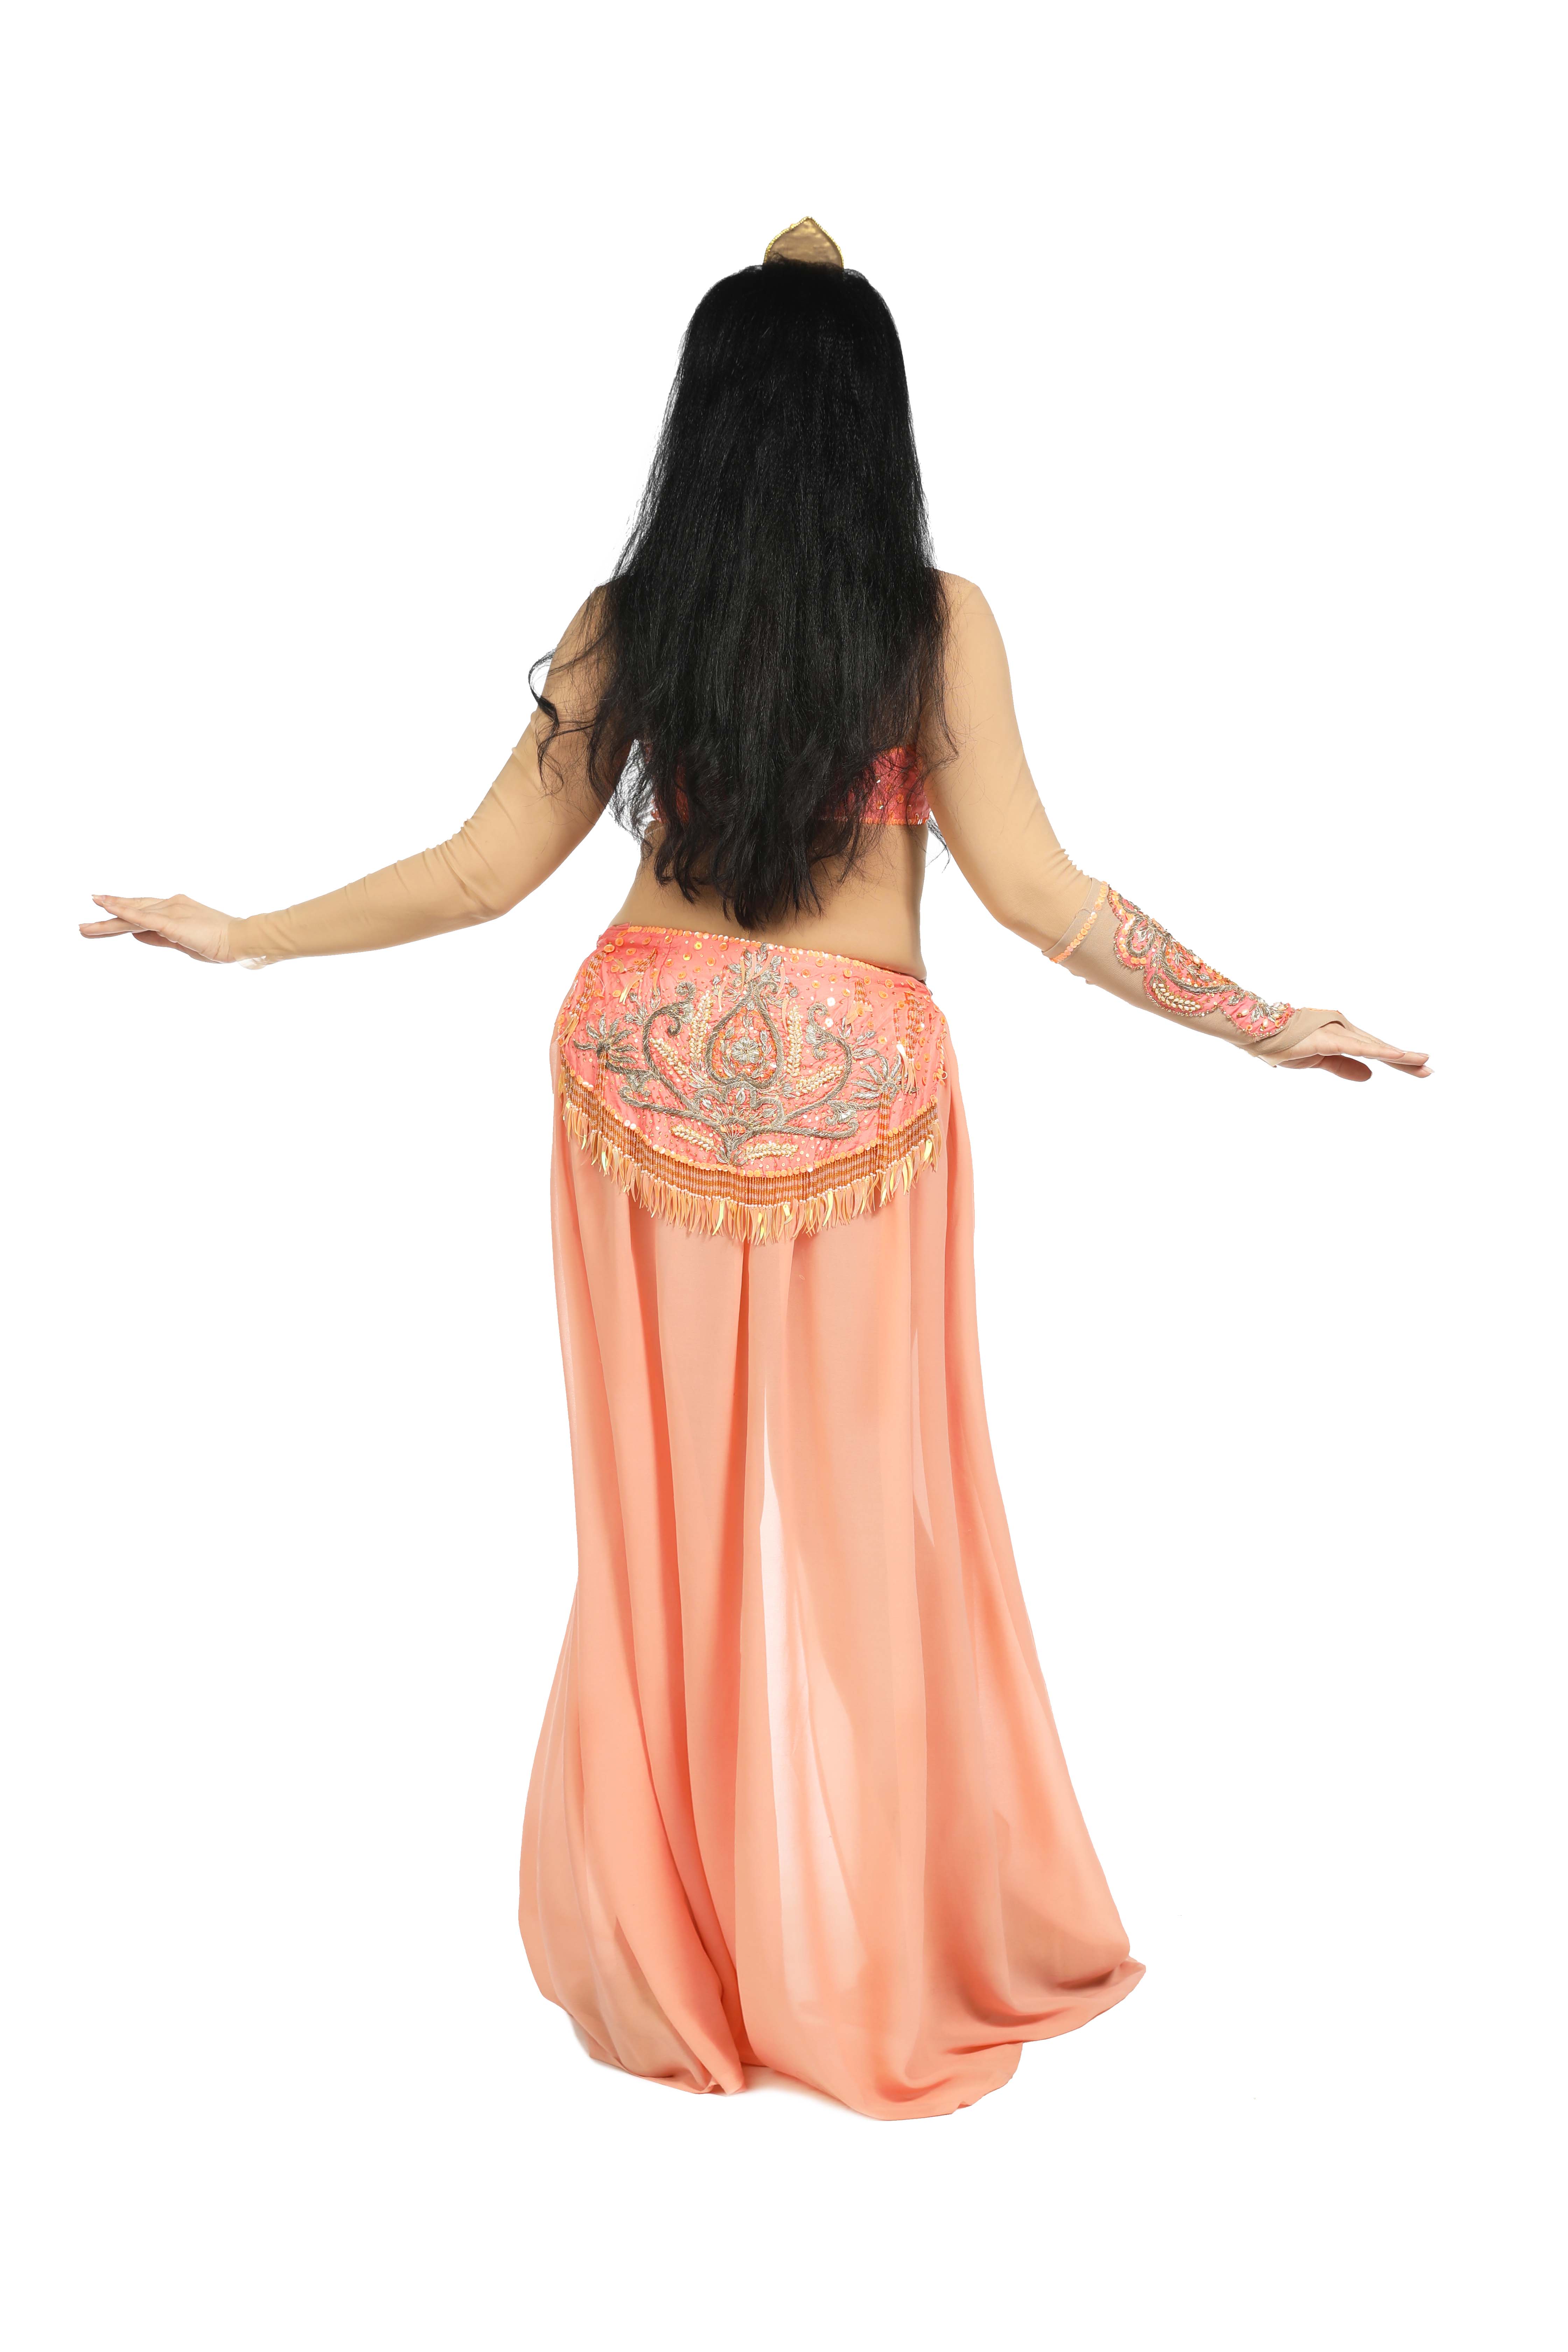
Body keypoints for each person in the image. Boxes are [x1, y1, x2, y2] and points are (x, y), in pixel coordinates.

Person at [80, 218, 1429, 2121]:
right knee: (874, 1531)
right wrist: (1256, 1015)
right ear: (875, 417)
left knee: (657, 1534)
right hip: (857, 1096)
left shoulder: (634, 615)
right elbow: (1038, 895)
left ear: (703, 418)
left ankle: (685, 1950)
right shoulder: (935, 620)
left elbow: (479, 872)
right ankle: (858, 1952)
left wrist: (252, 933)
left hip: (634, 1076)